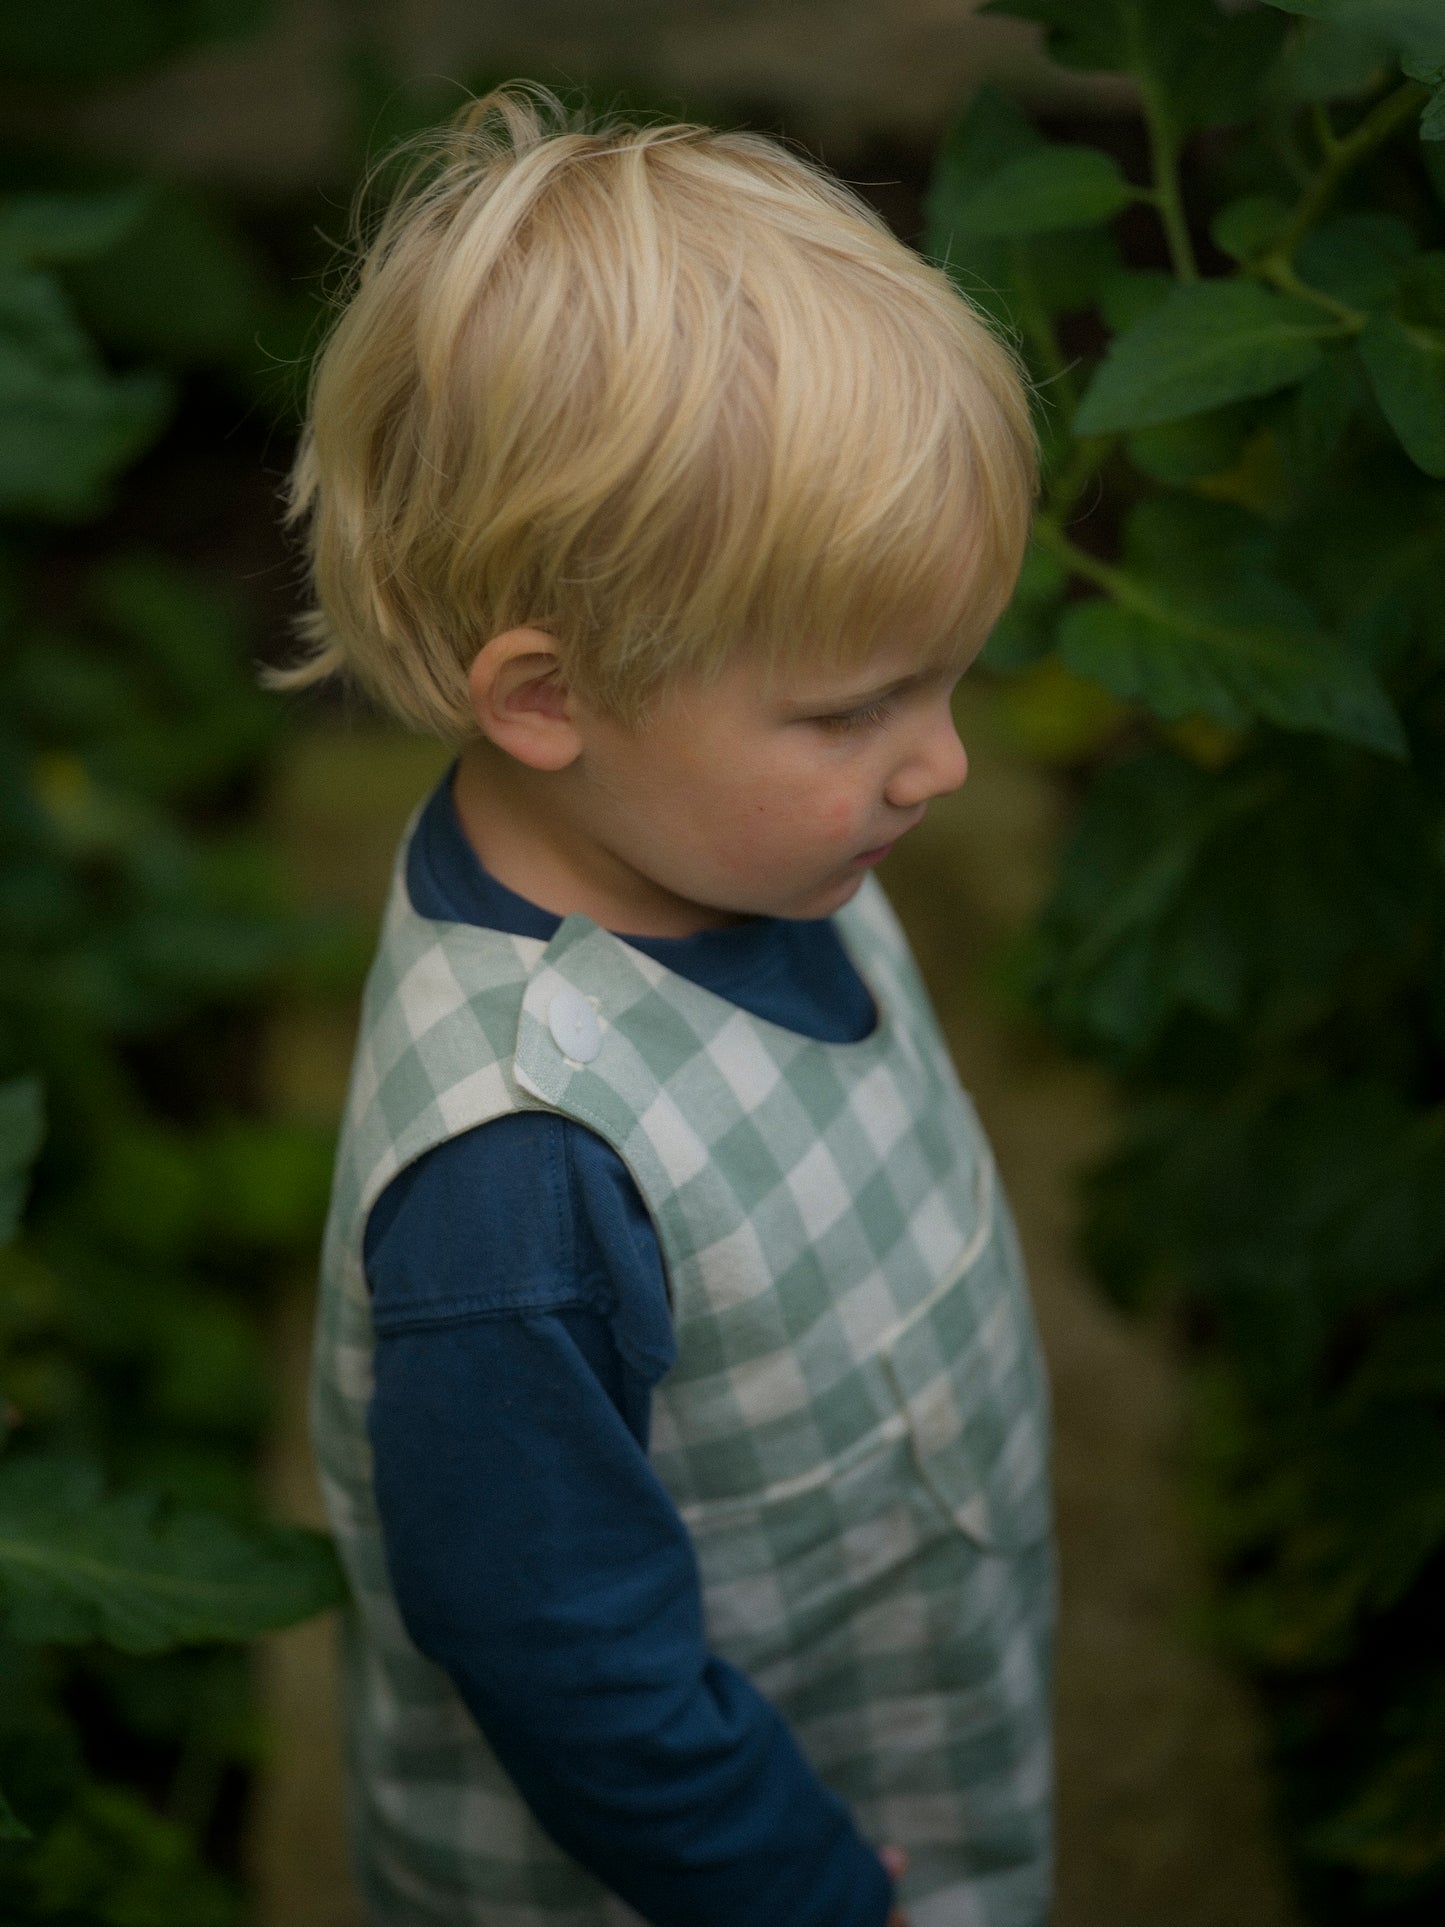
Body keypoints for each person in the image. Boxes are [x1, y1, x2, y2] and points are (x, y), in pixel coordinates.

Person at [278, 83, 1053, 1927]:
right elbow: (565, 1660)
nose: (938, 763)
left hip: (884, 1715)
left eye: (947, 681)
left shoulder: (716, 840)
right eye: (853, 708)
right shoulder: (519, 1185)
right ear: (545, 695)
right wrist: (804, 1894)